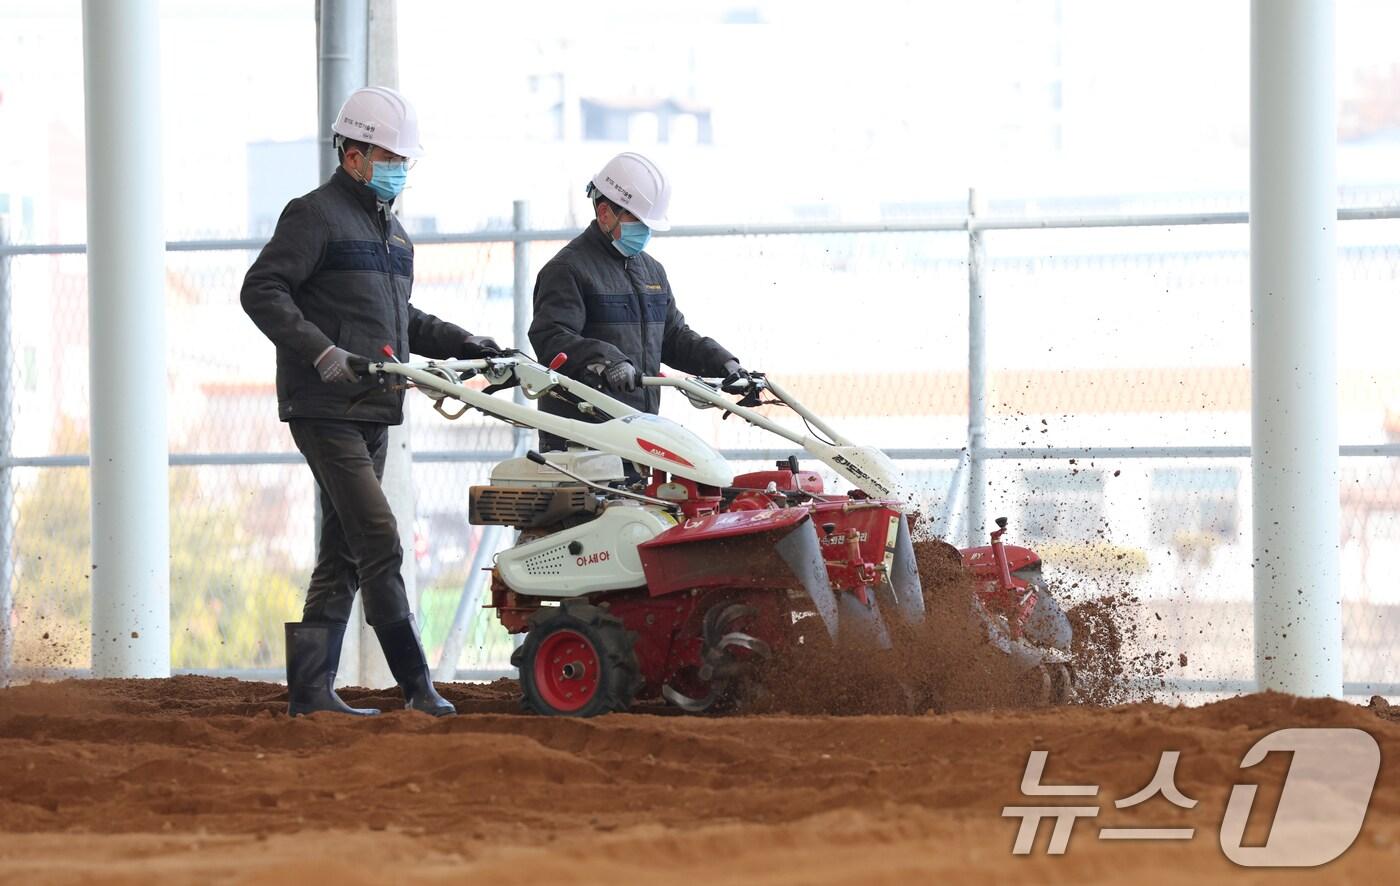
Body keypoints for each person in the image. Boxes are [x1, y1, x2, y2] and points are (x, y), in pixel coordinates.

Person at [241, 86, 500, 718]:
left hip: (376, 408)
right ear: (352, 155)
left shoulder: (395, 236)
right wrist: (320, 351)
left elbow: (401, 318)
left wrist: (466, 343)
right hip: (325, 406)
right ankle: (418, 688)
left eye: (405, 160)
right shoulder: (314, 215)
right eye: (390, 158)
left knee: (344, 552)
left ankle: (310, 694)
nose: (400, 169)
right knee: (380, 538)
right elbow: (262, 288)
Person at [528, 151, 750, 451]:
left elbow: (673, 337)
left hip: (638, 432)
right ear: (604, 213)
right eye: (638, 221)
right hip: (582, 438)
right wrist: (608, 360)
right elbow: (551, 337)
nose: (644, 231)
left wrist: (724, 363)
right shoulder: (568, 269)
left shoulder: (651, 271)